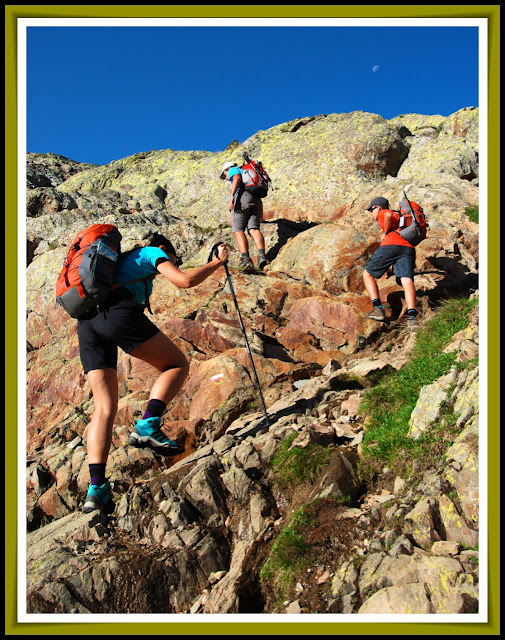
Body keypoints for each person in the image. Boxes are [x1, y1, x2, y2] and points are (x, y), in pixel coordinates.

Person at [77, 232, 229, 514]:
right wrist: (218, 263)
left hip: (87, 325)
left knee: (103, 408)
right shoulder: (150, 253)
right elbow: (185, 280)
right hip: (117, 315)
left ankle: (96, 490)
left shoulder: (117, 263)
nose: (170, 263)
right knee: (176, 365)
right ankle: (147, 425)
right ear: (163, 249)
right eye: (172, 258)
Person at [363, 196, 419, 326]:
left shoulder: (384, 212)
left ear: (377, 207)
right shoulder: (400, 216)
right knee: (406, 279)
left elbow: (387, 214)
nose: (372, 214)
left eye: (371, 210)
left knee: (368, 274)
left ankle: (377, 309)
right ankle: (412, 317)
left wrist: (385, 231)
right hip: (408, 247)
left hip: (391, 245)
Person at [220, 161, 268, 272]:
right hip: (255, 200)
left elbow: (236, 178)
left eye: (224, 175)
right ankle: (262, 256)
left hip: (242, 199)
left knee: (237, 230)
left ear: (227, 169)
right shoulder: (248, 173)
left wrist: (232, 197)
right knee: (254, 229)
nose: (226, 178)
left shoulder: (234, 169)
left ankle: (246, 259)